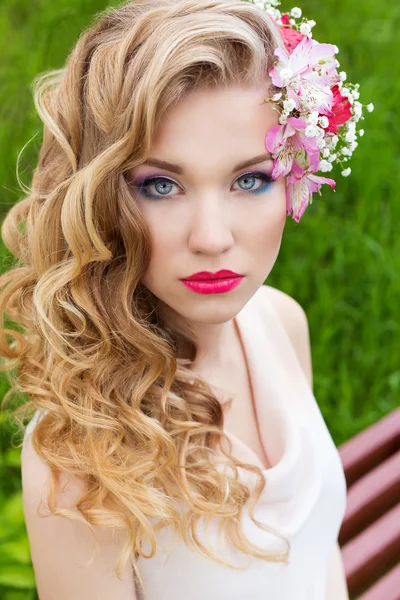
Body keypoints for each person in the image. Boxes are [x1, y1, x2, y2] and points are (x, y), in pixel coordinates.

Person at [0, 0, 369, 597]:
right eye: (161, 186)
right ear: (98, 197)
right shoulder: (79, 454)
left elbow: (318, 554)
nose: (212, 237)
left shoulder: (280, 322)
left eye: (251, 179)